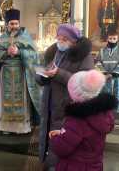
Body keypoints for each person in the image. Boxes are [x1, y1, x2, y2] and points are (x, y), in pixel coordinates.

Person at [35, 24, 94, 171]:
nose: (60, 41)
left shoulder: (84, 56)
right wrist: (42, 76)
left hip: (67, 105)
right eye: (58, 38)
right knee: (49, 134)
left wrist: (59, 74)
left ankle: (58, 166)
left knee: (63, 140)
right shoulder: (53, 52)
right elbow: (44, 72)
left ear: (73, 41)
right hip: (49, 103)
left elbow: (84, 83)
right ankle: (48, 162)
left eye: (64, 39)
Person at [0, 9, 40, 134]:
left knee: (21, 99)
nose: (14, 26)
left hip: (21, 73)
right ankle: (5, 127)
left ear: (19, 24)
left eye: (16, 23)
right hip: (5, 73)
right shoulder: (1, 39)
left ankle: (20, 128)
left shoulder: (26, 37)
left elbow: (34, 55)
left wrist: (20, 52)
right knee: (3, 100)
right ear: (7, 25)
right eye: (11, 24)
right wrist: (5, 52)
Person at [49, 70, 117, 171]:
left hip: (74, 166)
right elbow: (86, 136)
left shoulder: (77, 119)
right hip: (94, 165)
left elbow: (62, 148)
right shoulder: (104, 113)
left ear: (75, 94)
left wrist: (55, 138)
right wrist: (63, 132)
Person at [96, 32, 119, 113]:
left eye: (114, 39)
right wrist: (105, 73)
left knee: (117, 92)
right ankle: (104, 109)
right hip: (105, 76)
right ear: (107, 39)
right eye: (110, 38)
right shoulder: (102, 51)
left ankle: (117, 110)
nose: (112, 40)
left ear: (117, 39)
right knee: (104, 92)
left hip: (116, 77)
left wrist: (113, 73)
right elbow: (97, 62)